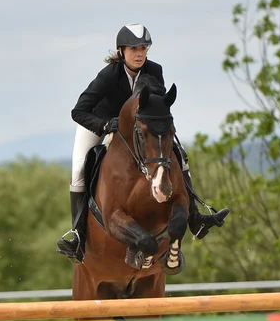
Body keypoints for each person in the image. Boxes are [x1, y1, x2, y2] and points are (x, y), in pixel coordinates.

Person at [56, 23, 230, 264]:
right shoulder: (108, 75)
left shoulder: (154, 70)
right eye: (134, 48)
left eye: (144, 48)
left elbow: (157, 104)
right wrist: (106, 125)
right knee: (78, 172)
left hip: (139, 130)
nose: (140, 53)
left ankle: (195, 218)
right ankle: (77, 234)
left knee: (179, 153)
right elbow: (79, 111)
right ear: (121, 51)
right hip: (100, 122)